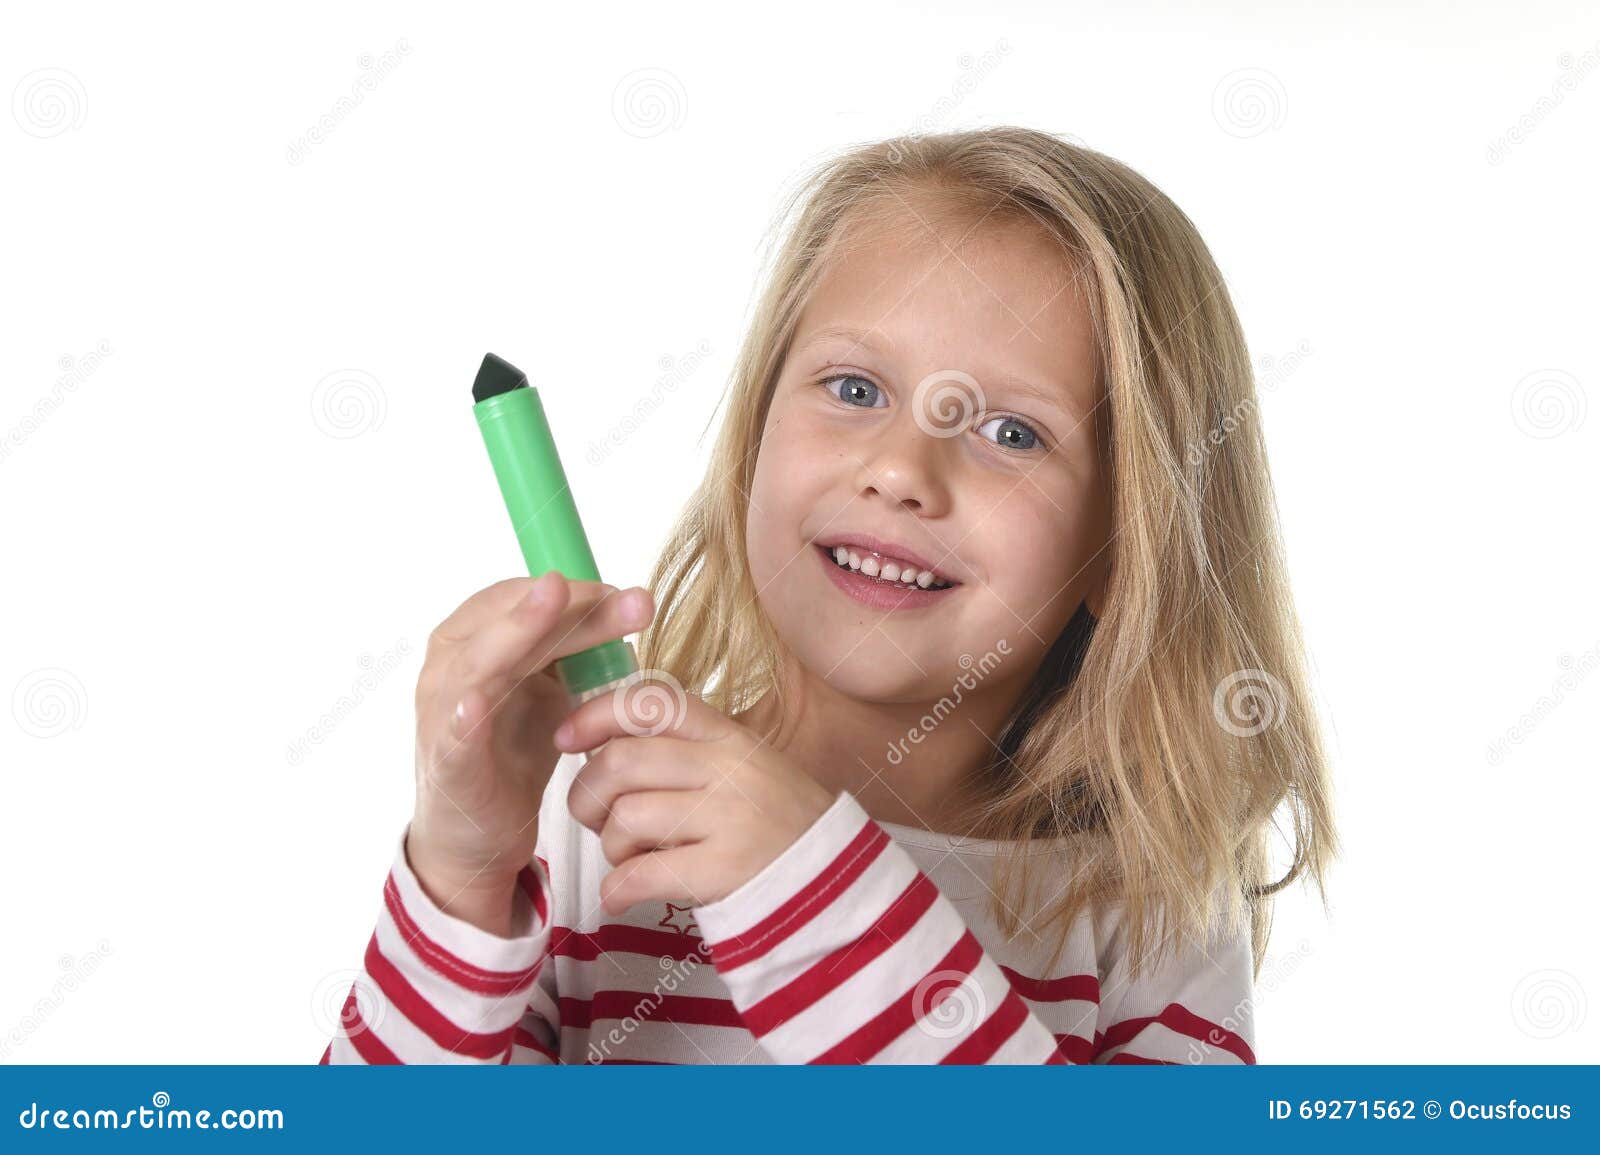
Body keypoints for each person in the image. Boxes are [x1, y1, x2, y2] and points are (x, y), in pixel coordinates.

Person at [321, 125, 1336, 1065]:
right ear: (755, 435)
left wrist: (807, 888)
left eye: (1012, 433)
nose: (899, 469)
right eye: (854, 390)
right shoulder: (588, 832)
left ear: (1126, 545)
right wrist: (459, 878)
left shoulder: (1148, 909)